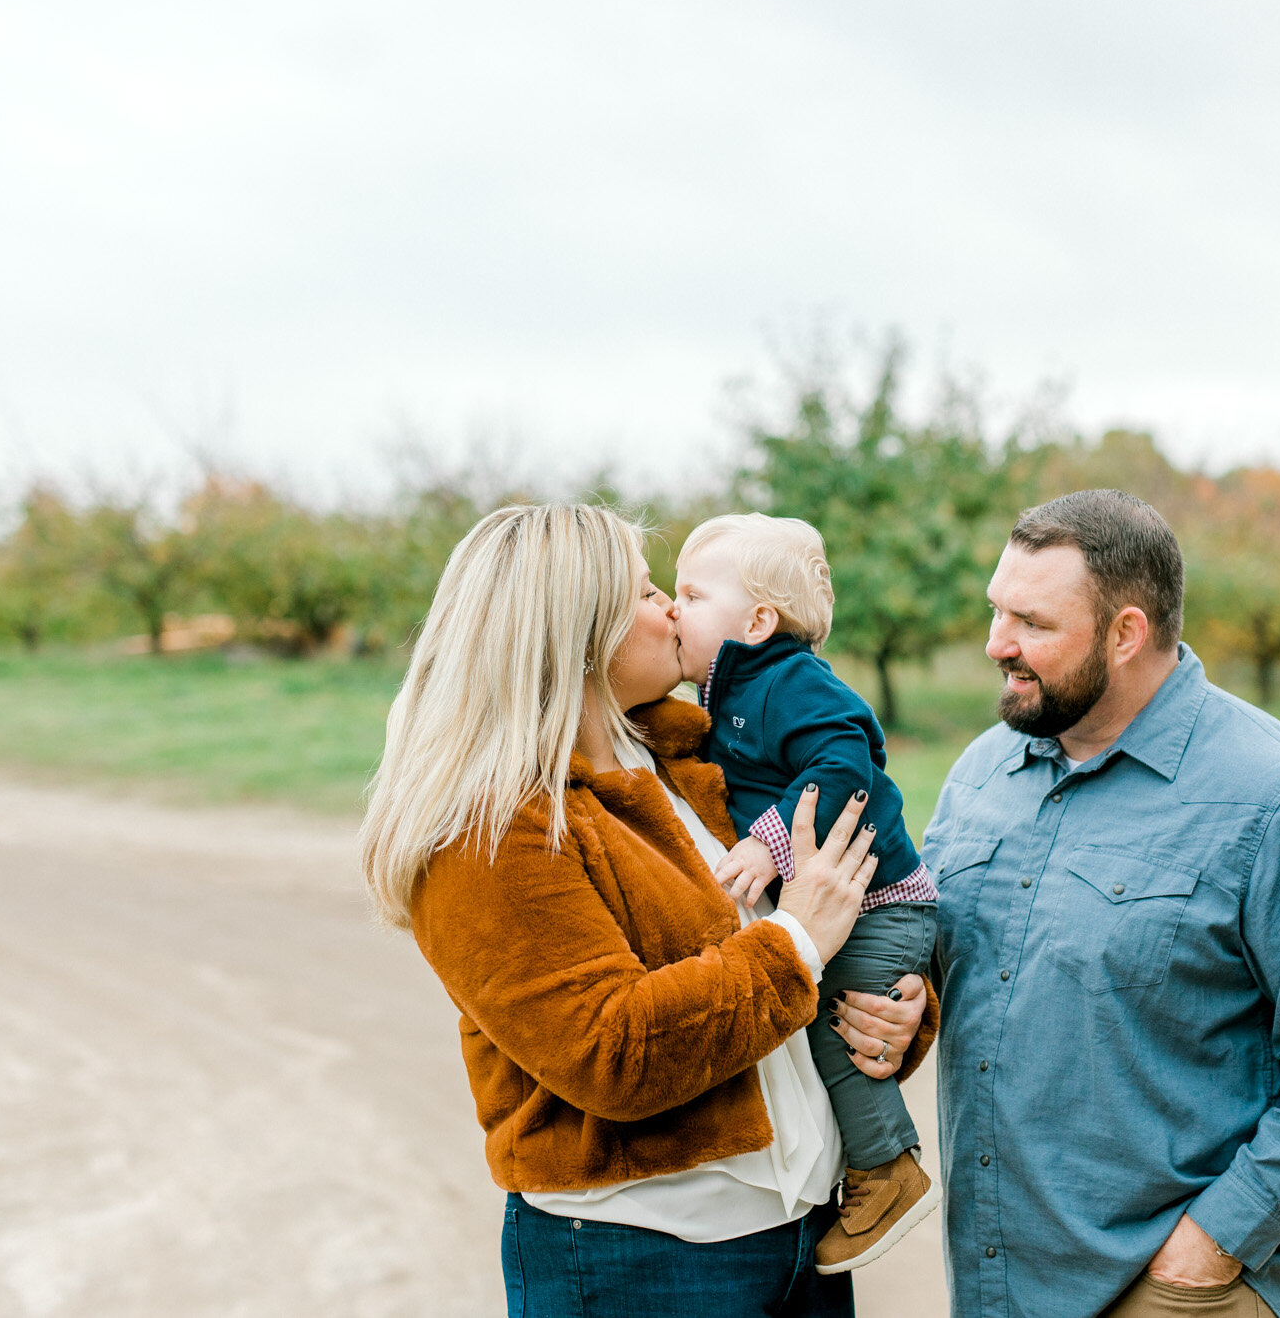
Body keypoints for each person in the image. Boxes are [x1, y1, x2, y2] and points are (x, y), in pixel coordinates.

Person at [357, 501, 934, 1318]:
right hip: (643, 1257)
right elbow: (611, 1050)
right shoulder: (492, 831)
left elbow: (816, 924)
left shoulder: (694, 750)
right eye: (646, 590)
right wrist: (798, 940)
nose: (671, 606)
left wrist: (888, 1009)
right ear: (575, 626)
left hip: (802, 1235)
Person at [925, 490, 1280, 1318]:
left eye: (1033, 623)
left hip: (1168, 1288)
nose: (995, 644)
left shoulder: (1276, 798)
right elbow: (950, 967)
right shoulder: (980, 772)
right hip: (997, 1281)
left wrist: (1216, 1239)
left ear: (1126, 633)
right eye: (995, 610)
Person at [673, 513, 941, 1274]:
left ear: (758, 621)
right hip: (859, 905)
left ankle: (887, 1166)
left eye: (691, 594)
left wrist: (768, 840)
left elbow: (846, 759)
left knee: (832, 1024)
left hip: (882, 900)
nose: (672, 608)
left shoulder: (787, 680)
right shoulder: (727, 690)